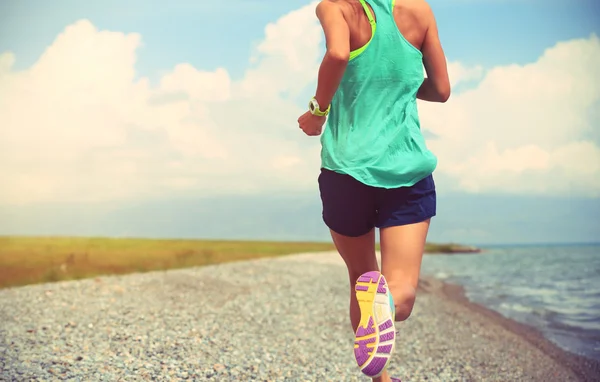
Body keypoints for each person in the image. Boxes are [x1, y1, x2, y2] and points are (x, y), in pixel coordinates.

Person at [297, 0, 450, 381]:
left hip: (345, 170)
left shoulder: (336, 7)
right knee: (397, 291)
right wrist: (395, 85)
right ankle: (389, 310)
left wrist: (318, 111)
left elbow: (337, 53)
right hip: (407, 168)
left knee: (363, 278)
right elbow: (442, 89)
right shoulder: (420, 12)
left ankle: (379, 380)